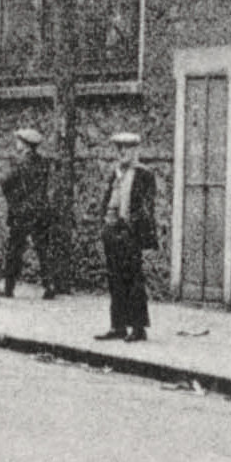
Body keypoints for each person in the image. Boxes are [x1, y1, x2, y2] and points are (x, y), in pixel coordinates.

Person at [94, 131, 159, 343]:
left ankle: (139, 328)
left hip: (130, 233)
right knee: (114, 279)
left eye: (127, 148)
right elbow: (107, 199)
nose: (123, 152)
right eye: (119, 148)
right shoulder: (116, 173)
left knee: (133, 280)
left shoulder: (144, 174)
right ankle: (118, 326)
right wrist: (105, 223)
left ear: (135, 150)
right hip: (112, 231)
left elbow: (146, 207)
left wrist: (131, 227)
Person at [0, 128, 58, 300]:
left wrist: (13, 198)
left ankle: (9, 288)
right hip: (41, 209)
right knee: (43, 249)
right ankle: (49, 285)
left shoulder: (18, 162)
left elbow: (4, 181)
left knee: (15, 249)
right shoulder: (43, 162)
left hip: (22, 211)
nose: (16, 144)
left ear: (24, 144)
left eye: (18, 141)